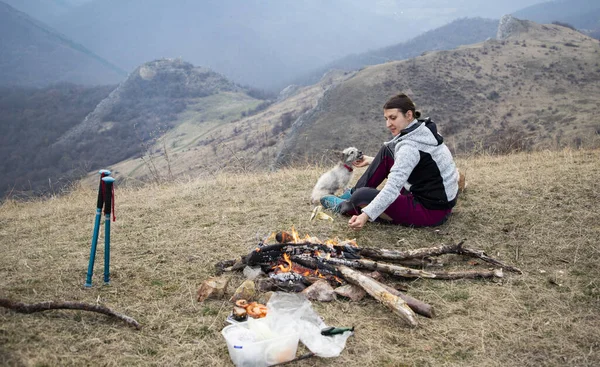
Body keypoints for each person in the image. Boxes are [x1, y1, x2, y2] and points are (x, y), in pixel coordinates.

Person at [320, 93, 459, 230]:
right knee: (387, 150)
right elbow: (418, 164)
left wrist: (366, 215)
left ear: (409, 115)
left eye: (393, 118)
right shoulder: (424, 129)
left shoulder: (409, 148)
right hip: (437, 197)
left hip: (431, 211)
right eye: (386, 119)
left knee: (362, 195)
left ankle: (345, 205)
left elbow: (392, 188)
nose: (388, 124)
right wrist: (371, 161)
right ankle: (351, 195)